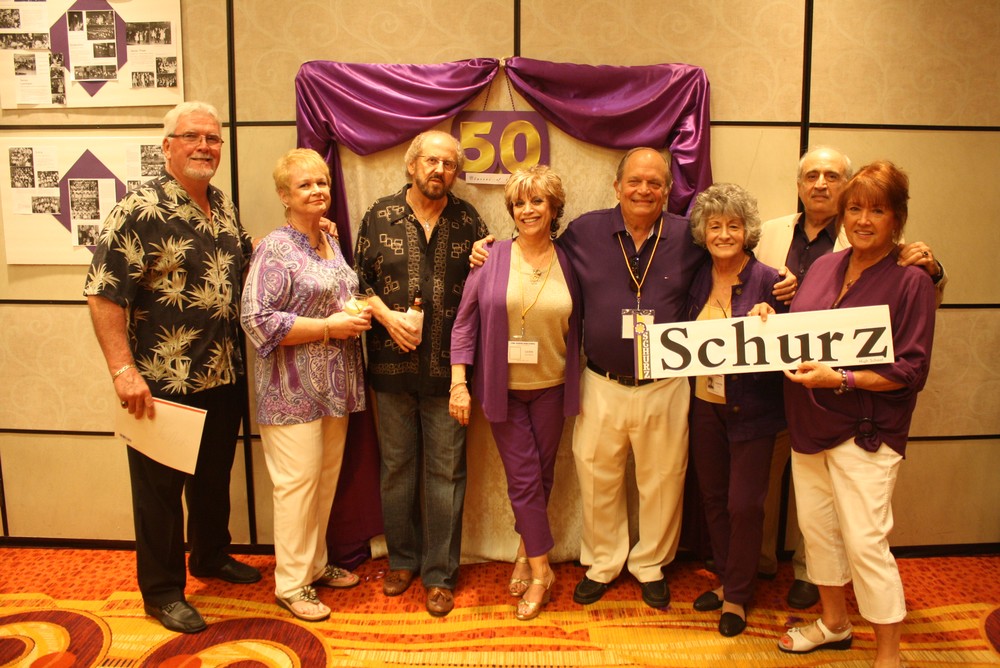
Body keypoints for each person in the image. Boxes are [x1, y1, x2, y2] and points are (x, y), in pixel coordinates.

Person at [473, 148, 705, 608]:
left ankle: (650, 565)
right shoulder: (585, 231)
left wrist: (774, 279)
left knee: (663, 479)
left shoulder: (689, 236)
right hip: (602, 380)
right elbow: (533, 248)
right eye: (634, 181)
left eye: (654, 183)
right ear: (617, 186)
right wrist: (488, 250)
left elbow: (732, 258)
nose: (643, 190)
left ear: (667, 190)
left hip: (665, 382)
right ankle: (602, 564)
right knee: (598, 477)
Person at [83, 101, 261, 634]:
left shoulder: (221, 204)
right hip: (161, 381)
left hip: (223, 372)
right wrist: (123, 371)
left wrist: (307, 232)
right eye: (191, 137)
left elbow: (249, 261)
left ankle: (210, 555)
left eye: (212, 138)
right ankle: (161, 592)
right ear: (167, 146)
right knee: (158, 493)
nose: (204, 146)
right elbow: (103, 293)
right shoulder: (138, 209)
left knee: (212, 478)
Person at [755, 146, 947, 610]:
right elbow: (802, 330)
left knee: (864, 543)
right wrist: (768, 319)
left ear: (897, 219)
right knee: (818, 532)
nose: (863, 220)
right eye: (856, 209)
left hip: (864, 431)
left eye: (877, 211)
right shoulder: (822, 265)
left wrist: (840, 379)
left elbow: (910, 370)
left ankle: (886, 646)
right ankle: (834, 623)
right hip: (806, 423)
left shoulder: (911, 276)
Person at [354, 130, 488, 617]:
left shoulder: (469, 221)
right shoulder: (378, 215)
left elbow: (487, 286)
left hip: (449, 374)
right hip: (390, 369)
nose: (440, 170)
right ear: (412, 165)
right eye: (431, 161)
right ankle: (402, 560)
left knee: (446, 472)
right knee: (396, 468)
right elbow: (356, 283)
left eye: (449, 164)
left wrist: (486, 257)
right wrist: (387, 317)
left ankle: (440, 574)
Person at [240, 148, 370, 621]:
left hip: (334, 387)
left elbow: (337, 294)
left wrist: (353, 313)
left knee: (323, 481)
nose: (317, 191)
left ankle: (314, 565)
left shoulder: (328, 239)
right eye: (305, 185)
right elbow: (255, 318)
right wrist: (328, 327)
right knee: (296, 487)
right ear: (284, 195)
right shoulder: (276, 248)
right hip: (289, 391)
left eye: (322, 183)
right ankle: (291, 584)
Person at [449, 166, 582, 621]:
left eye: (537, 201)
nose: (527, 210)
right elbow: (464, 324)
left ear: (553, 207)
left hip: (552, 388)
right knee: (523, 478)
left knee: (541, 478)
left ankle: (526, 553)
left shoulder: (571, 260)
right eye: (519, 203)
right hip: (503, 391)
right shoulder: (490, 256)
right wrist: (459, 382)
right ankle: (543, 572)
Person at [685, 184, 785, 636]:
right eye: (715, 226)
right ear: (702, 233)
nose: (724, 234)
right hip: (705, 405)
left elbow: (794, 337)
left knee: (744, 504)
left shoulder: (771, 280)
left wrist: (775, 315)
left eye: (733, 226)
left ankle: (739, 597)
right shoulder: (697, 277)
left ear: (748, 231)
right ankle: (728, 580)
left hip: (753, 409)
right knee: (713, 497)